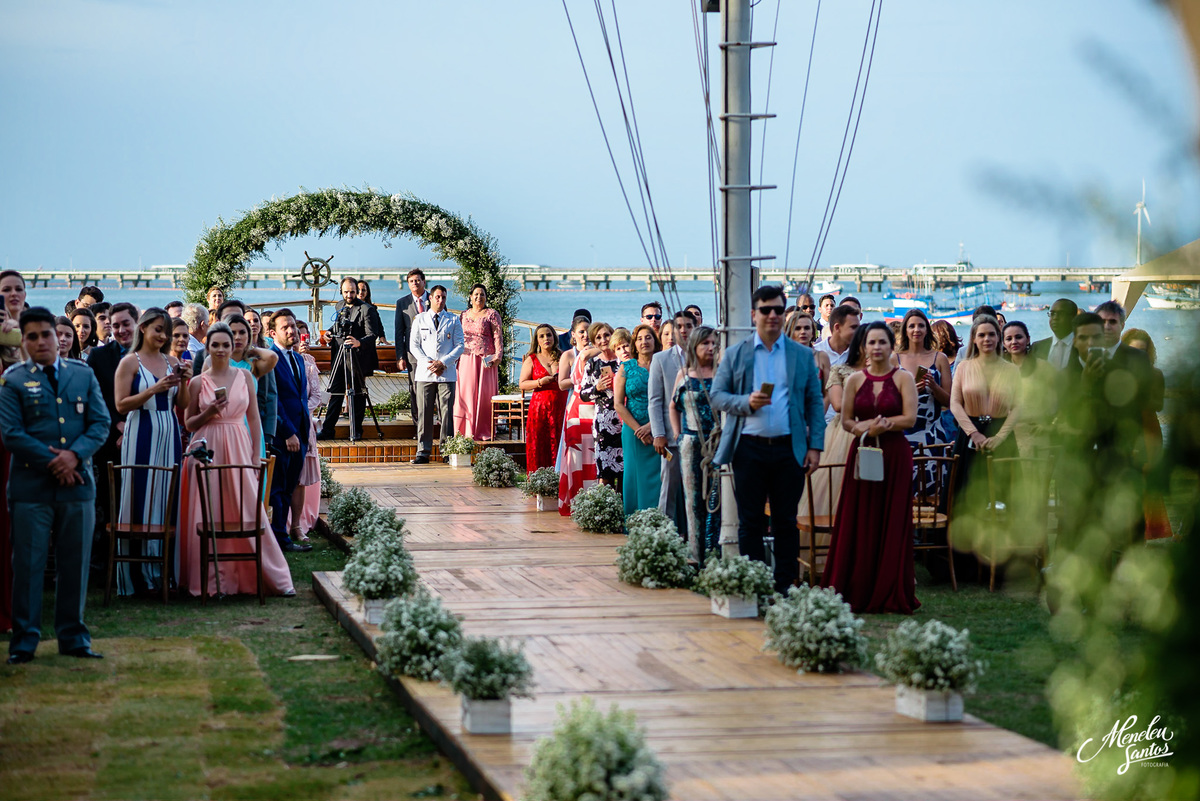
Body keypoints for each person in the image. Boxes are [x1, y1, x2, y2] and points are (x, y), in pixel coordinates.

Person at [2, 307, 110, 664]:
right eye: (30, 337)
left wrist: (73, 457)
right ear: (24, 340)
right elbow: (12, 433)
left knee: (74, 563)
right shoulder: (13, 380)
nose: (40, 342)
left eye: (45, 334)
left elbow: (100, 423)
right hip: (31, 489)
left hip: (77, 486)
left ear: (54, 335)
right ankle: (24, 641)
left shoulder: (82, 374)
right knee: (29, 567)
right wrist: (56, 462)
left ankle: (73, 637)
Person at [710, 285, 825, 594]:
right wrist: (746, 402)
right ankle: (755, 587)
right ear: (753, 314)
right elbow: (717, 395)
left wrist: (815, 446)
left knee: (787, 521)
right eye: (765, 310)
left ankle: (784, 587)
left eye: (777, 309)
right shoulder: (736, 353)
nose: (772, 315)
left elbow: (815, 401)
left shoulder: (801, 354)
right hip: (748, 448)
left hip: (790, 448)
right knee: (750, 522)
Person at [179, 323, 295, 597]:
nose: (220, 350)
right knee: (209, 513)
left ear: (233, 348)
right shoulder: (197, 382)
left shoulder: (244, 377)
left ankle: (265, 576)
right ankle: (211, 579)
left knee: (246, 510)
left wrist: (256, 456)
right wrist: (208, 412)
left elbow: (254, 418)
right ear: (207, 348)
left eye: (225, 345)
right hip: (206, 449)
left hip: (240, 447)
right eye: (215, 345)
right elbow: (189, 423)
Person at [821, 321, 920, 614]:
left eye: (882, 342)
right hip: (864, 451)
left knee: (892, 519)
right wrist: (866, 427)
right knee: (860, 517)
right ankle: (857, 587)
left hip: (895, 455)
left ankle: (889, 590)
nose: (877, 348)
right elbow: (847, 420)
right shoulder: (853, 380)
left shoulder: (903, 378)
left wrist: (887, 424)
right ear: (863, 347)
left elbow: (910, 418)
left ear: (892, 346)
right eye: (871, 342)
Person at [113, 307, 189, 596]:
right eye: (158, 329)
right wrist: (154, 389)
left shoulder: (172, 361)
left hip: (168, 432)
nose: (163, 336)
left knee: (166, 496)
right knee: (140, 494)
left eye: (166, 331)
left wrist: (182, 379)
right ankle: (135, 575)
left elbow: (181, 403)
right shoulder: (129, 363)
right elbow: (121, 405)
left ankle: (163, 572)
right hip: (141, 431)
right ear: (143, 328)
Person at [949, 315, 1021, 556]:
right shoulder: (963, 367)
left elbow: (1018, 407)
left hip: (1002, 437)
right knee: (967, 493)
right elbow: (955, 404)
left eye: (991, 334)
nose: (987, 338)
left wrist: (999, 438)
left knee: (1003, 495)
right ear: (974, 339)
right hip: (969, 436)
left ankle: (1002, 557)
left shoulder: (1011, 370)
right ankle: (965, 557)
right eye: (981, 334)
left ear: (998, 337)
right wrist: (974, 433)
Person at [670, 325, 719, 564]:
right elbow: (672, 405)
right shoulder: (684, 374)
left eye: (714, 344)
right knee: (693, 500)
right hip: (690, 443)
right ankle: (697, 556)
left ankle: (716, 554)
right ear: (695, 346)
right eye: (705, 344)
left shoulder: (723, 373)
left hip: (719, 442)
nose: (710, 348)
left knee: (717, 499)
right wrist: (679, 435)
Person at [267, 309, 312, 552]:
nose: (292, 330)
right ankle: (279, 540)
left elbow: (300, 398)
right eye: (285, 327)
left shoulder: (298, 358)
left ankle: (282, 537)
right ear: (273, 332)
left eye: (293, 326)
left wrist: (305, 431)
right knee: (278, 490)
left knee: (290, 487)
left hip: (301, 435)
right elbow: (274, 402)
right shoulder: (270, 358)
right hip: (283, 436)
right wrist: (288, 433)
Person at [1122, 327, 1170, 540]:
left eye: (1141, 351)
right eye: (1133, 351)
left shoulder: (1155, 374)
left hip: (1149, 428)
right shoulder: (1117, 374)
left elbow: (1158, 405)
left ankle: (1153, 530)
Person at [319, 276, 381, 440]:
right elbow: (337, 325)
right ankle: (327, 431)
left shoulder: (367, 309)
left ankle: (356, 431)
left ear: (357, 291)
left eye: (352, 292)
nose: (349, 295)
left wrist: (358, 342)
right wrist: (329, 333)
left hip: (356, 358)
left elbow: (372, 334)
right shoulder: (339, 305)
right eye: (346, 292)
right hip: (338, 356)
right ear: (341, 291)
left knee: (357, 395)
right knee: (335, 392)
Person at [649, 309, 694, 521]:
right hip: (670, 437)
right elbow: (655, 400)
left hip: (700, 436)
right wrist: (658, 433)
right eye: (679, 326)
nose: (684, 330)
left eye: (689, 326)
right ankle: (663, 536)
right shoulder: (660, 359)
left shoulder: (706, 355)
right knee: (668, 490)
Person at [411, 285, 464, 464]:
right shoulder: (420, 319)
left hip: (446, 373)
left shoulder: (453, 319)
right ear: (431, 299)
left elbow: (460, 345)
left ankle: (447, 450)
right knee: (424, 413)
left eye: (443, 298)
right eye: (437, 297)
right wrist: (429, 363)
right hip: (425, 374)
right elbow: (414, 345)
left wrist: (443, 362)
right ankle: (423, 451)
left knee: (447, 413)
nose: (440, 301)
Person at [614, 323, 662, 514]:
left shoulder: (662, 364)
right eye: (640, 338)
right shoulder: (626, 367)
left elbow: (669, 400)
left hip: (659, 428)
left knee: (658, 477)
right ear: (634, 343)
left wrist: (651, 426)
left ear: (654, 341)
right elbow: (618, 403)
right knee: (634, 476)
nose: (644, 342)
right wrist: (638, 430)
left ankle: (659, 518)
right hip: (633, 431)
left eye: (648, 337)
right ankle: (635, 521)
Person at [896, 309, 953, 457]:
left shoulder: (939, 358)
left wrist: (934, 387)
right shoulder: (894, 359)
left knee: (933, 477)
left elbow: (949, 401)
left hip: (932, 432)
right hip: (903, 433)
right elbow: (887, 401)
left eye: (921, 325)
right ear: (905, 330)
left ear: (927, 329)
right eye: (912, 326)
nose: (917, 330)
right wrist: (910, 393)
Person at [556, 316, 595, 513]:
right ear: (573, 334)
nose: (585, 335)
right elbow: (561, 384)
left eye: (588, 331)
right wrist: (580, 379)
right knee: (574, 451)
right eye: (581, 331)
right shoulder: (569, 355)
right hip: (576, 402)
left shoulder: (596, 353)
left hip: (593, 405)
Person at [455, 284, 503, 440]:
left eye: (482, 294)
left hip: (485, 360)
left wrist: (498, 355)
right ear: (470, 296)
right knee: (465, 393)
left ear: (486, 297)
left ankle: (484, 430)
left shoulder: (491, 314)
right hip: (466, 358)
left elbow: (497, 336)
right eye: (476, 294)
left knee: (484, 395)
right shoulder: (463, 314)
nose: (479, 297)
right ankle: (464, 429)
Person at [1002, 320, 1056, 457]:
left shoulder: (1044, 368)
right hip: (1007, 436)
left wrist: (1050, 424)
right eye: (1009, 338)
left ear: (1028, 340)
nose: (1014, 342)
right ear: (1003, 343)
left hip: (1036, 433)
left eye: (1018, 337)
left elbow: (1058, 399)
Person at [577, 322, 622, 487]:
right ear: (594, 343)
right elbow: (583, 394)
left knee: (625, 473)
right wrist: (597, 387)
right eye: (598, 337)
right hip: (603, 426)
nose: (603, 340)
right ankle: (605, 509)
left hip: (625, 421)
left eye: (606, 335)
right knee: (605, 473)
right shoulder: (593, 364)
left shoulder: (623, 361)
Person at [519, 323, 566, 473]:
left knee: (559, 442)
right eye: (542, 336)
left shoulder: (563, 357)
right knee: (540, 443)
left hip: (560, 406)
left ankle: (560, 480)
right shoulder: (531, 359)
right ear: (537, 340)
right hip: (539, 408)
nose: (546, 338)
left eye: (549, 335)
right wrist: (539, 382)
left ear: (554, 337)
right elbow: (522, 383)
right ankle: (539, 480)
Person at [784, 311, 831, 388]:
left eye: (807, 328)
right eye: (798, 328)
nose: (803, 332)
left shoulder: (822, 357)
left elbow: (828, 391)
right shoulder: (783, 356)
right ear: (790, 332)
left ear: (812, 332)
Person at [1030, 298, 1079, 369]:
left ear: (1073, 317)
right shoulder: (1037, 347)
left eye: (1061, 314)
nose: (1055, 318)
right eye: (1052, 314)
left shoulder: (1083, 347)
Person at [356, 280, 388, 344]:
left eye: (363, 290)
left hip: (367, 341)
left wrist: (382, 336)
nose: (360, 292)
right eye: (358, 290)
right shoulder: (349, 307)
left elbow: (378, 323)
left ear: (367, 292)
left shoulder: (372, 308)